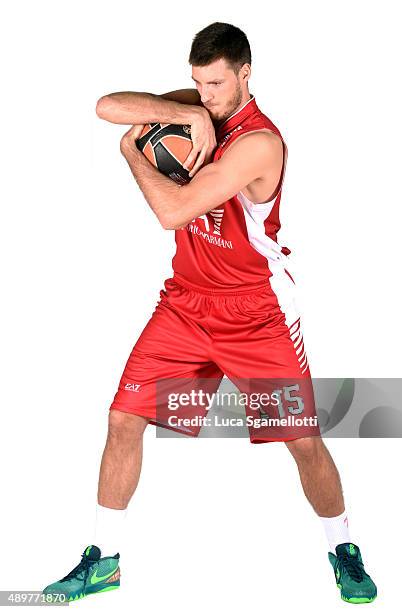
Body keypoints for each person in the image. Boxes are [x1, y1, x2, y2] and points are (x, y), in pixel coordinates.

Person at [43, 22, 377, 605]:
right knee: (124, 418)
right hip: (186, 305)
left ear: (245, 74)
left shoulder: (259, 142)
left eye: (217, 84)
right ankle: (104, 560)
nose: (207, 94)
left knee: (301, 441)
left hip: (256, 313)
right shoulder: (202, 106)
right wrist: (193, 114)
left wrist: (131, 152)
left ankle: (342, 546)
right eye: (198, 82)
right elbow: (106, 104)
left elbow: (173, 212)